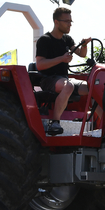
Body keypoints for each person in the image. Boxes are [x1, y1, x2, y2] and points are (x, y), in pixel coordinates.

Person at [36, 7, 92, 135]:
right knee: (69, 86)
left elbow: (81, 54)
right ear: (56, 22)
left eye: (71, 21)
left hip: (64, 79)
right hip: (48, 80)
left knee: (93, 87)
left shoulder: (67, 39)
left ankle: (101, 125)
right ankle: (55, 122)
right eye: (66, 21)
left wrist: (83, 45)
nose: (69, 24)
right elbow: (40, 65)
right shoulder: (45, 40)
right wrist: (61, 59)